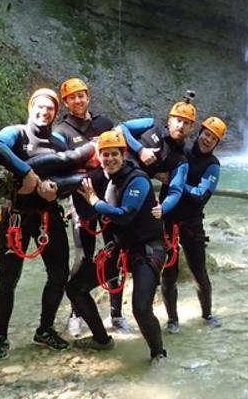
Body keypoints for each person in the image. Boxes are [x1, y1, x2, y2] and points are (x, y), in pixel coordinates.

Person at [0, 88, 89, 360]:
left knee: (58, 274)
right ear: (31, 107)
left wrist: (56, 189)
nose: (44, 112)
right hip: (16, 216)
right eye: (40, 107)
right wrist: (27, 172)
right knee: (8, 278)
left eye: (50, 108)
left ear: (56, 112)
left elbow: (70, 179)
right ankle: (0, 337)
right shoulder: (16, 133)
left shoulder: (58, 141)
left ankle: (44, 330)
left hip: (48, 215)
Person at [65, 129, 168, 363]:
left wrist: (95, 202)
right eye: (105, 155)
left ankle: (158, 354)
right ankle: (102, 340)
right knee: (75, 288)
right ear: (99, 158)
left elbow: (124, 216)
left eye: (114, 154)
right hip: (122, 249)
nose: (110, 159)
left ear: (123, 155)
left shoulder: (138, 180)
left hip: (147, 250)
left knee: (141, 309)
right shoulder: (109, 179)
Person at [109, 94, 195, 326]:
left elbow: (176, 189)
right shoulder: (150, 124)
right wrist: (139, 150)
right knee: (113, 252)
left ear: (190, 128)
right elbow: (121, 128)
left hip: (141, 203)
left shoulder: (180, 159)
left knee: (140, 253)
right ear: (169, 120)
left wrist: (162, 208)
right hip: (117, 189)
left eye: (186, 123)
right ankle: (115, 314)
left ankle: (161, 314)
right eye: (177, 119)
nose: (180, 125)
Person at [53, 77, 117, 336]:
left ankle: (116, 312)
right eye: (72, 97)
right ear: (66, 102)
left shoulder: (104, 124)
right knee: (82, 257)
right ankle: (75, 311)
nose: (78, 100)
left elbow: (119, 157)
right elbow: (63, 168)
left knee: (114, 252)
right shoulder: (63, 133)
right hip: (81, 202)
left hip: (110, 198)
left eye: (82, 95)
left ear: (88, 97)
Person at [161, 116, 226, 333]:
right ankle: (172, 319)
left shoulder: (213, 166)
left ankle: (207, 314)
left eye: (213, 138)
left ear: (217, 143)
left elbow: (200, 196)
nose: (207, 140)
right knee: (169, 273)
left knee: (199, 272)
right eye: (206, 134)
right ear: (199, 133)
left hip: (192, 222)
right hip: (168, 219)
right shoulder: (180, 152)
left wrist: (174, 181)